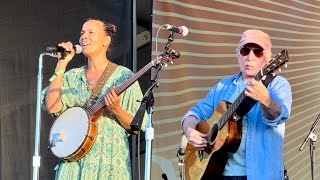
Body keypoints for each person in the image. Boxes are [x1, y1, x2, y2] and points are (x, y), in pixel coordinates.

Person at [41, 19, 146, 180]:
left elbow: (137, 127)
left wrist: (116, 109)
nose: (84, 37)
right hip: (74, 164)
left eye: (91, 32)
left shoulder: (124, 76)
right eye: (82, 33)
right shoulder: (72, 76)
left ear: (106, 40)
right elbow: (52, 107)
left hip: (108, 162)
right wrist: (61, 65)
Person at [182, 29, 292, 180]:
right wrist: (189, 131)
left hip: (261, 174)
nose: (250, 57)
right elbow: (195, 113)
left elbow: (280, 116)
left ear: (267, 58)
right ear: (238, 56)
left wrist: (266, 101)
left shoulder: (277, 85)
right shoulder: (222, 87)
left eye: (257, 52)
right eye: (245, 51)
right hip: (221, 174)